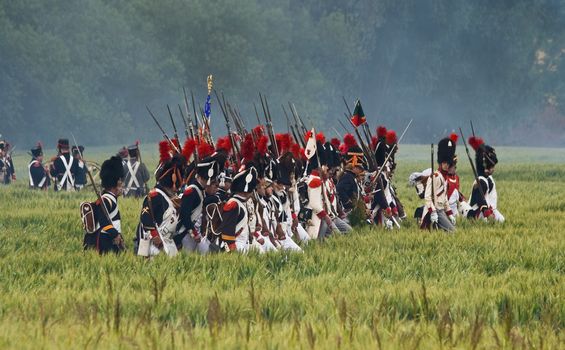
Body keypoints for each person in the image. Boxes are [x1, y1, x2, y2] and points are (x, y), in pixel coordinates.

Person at [134, 154, 186, 257]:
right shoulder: (155, 196)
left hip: (166, 244)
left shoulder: (168, 197)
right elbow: (145, 217)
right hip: (152, 244)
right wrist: (155, 235)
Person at [83, 156, 125, 253]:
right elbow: (103, 221)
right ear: (115, 184)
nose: (122, 186)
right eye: (120, 184)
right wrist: (115, 234)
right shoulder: (106, 200)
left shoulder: (109, 199)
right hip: (105, 240)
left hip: (111, 238)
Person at [216, 165, 259, 252]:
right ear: (247, 191)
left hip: (243, 244)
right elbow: (226, 232)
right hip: (234, 245)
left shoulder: (240, 203)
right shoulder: (233, 204)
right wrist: (230, 251)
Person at [421, 136, 457, 232]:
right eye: (444, 163)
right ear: (441, 162)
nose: (446, 165)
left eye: (448, 163)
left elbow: (444, 198)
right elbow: (427, 196)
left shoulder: (444, 178)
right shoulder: (435, 176)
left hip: (441, 210)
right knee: (452, 232)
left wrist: (449, 213)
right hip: (435, 211)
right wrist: (432, 212)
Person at [466, 136, 504, 222]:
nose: (493, 168)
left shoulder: (488, 178)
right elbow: (480, 199)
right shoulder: (481, 181)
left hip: (490, 209)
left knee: (501, 220)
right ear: (486, 168)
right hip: (478, 212)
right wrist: (487, 213)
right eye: (492, 167)